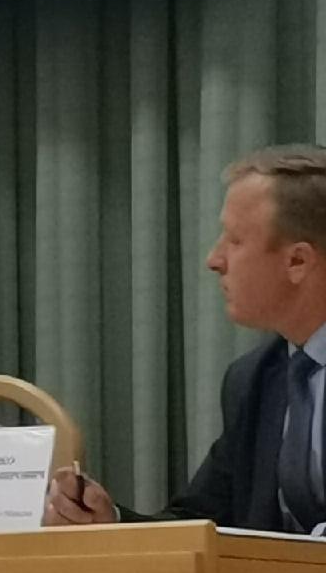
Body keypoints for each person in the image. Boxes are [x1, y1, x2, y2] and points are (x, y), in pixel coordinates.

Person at [46, 146, 326, 531]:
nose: (214, 259)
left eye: (235, 240)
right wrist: (108, 522)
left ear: (298, 261)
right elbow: (201, 522)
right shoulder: (254, 379)